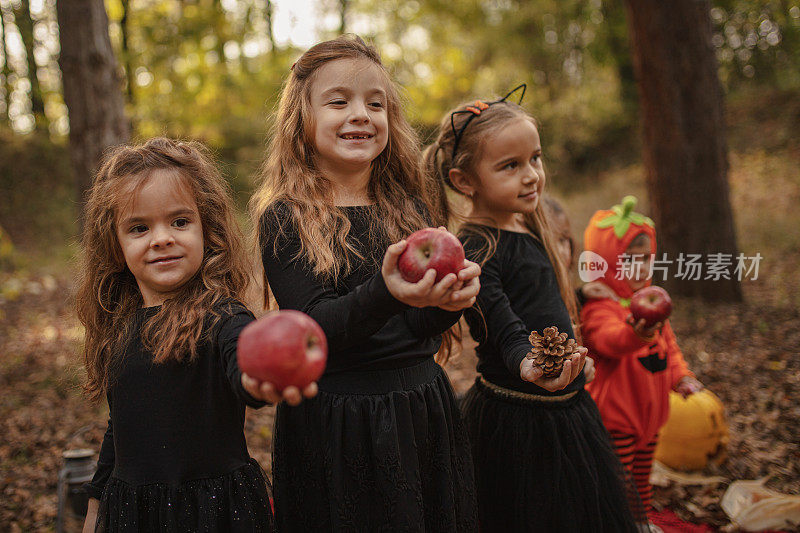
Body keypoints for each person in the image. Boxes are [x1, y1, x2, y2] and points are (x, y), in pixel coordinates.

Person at [249, 35, 481, 531]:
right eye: (339, 102)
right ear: (301, 120)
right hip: (337, 422)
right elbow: (313, 329)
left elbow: (420, 328)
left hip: (420, 408)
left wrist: (448, 303)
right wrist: (387, 290)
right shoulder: (286, 218)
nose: (361, 114)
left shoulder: (411, 209)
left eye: (376, 104)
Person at [424, 87, 641, 532]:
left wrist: (579, 303)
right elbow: (501, 322)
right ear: (465, 181)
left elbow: (537, 299)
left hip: (568, 405)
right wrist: (527, 360)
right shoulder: (475, 245)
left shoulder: (528, 221)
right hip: (519, 414)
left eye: (535, 159)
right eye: (510, 166)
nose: (532, 176)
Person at [77, 138, 285, 532]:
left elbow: (243, 359)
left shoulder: (223, 315)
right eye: (139, 228)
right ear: (115, 243)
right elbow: (119, 427)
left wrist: (260, 377)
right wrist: (95, 505)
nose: (162, 239)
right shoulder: (120, 327)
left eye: (179, 221)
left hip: (214, 512)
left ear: (207, 227)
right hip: (134, 514)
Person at [580, 196, 704, 528]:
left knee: (640, 477)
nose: (639, 268)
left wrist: (682, 378)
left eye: (645, 259)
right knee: (618, 482)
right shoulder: (600, 308)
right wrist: (637, 333)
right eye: (628, 260)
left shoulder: (653, 305)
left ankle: (640, 521)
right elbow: (609, 341)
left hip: (650, 417)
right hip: (617, 417)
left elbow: (670, 351)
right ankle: (615, 523)